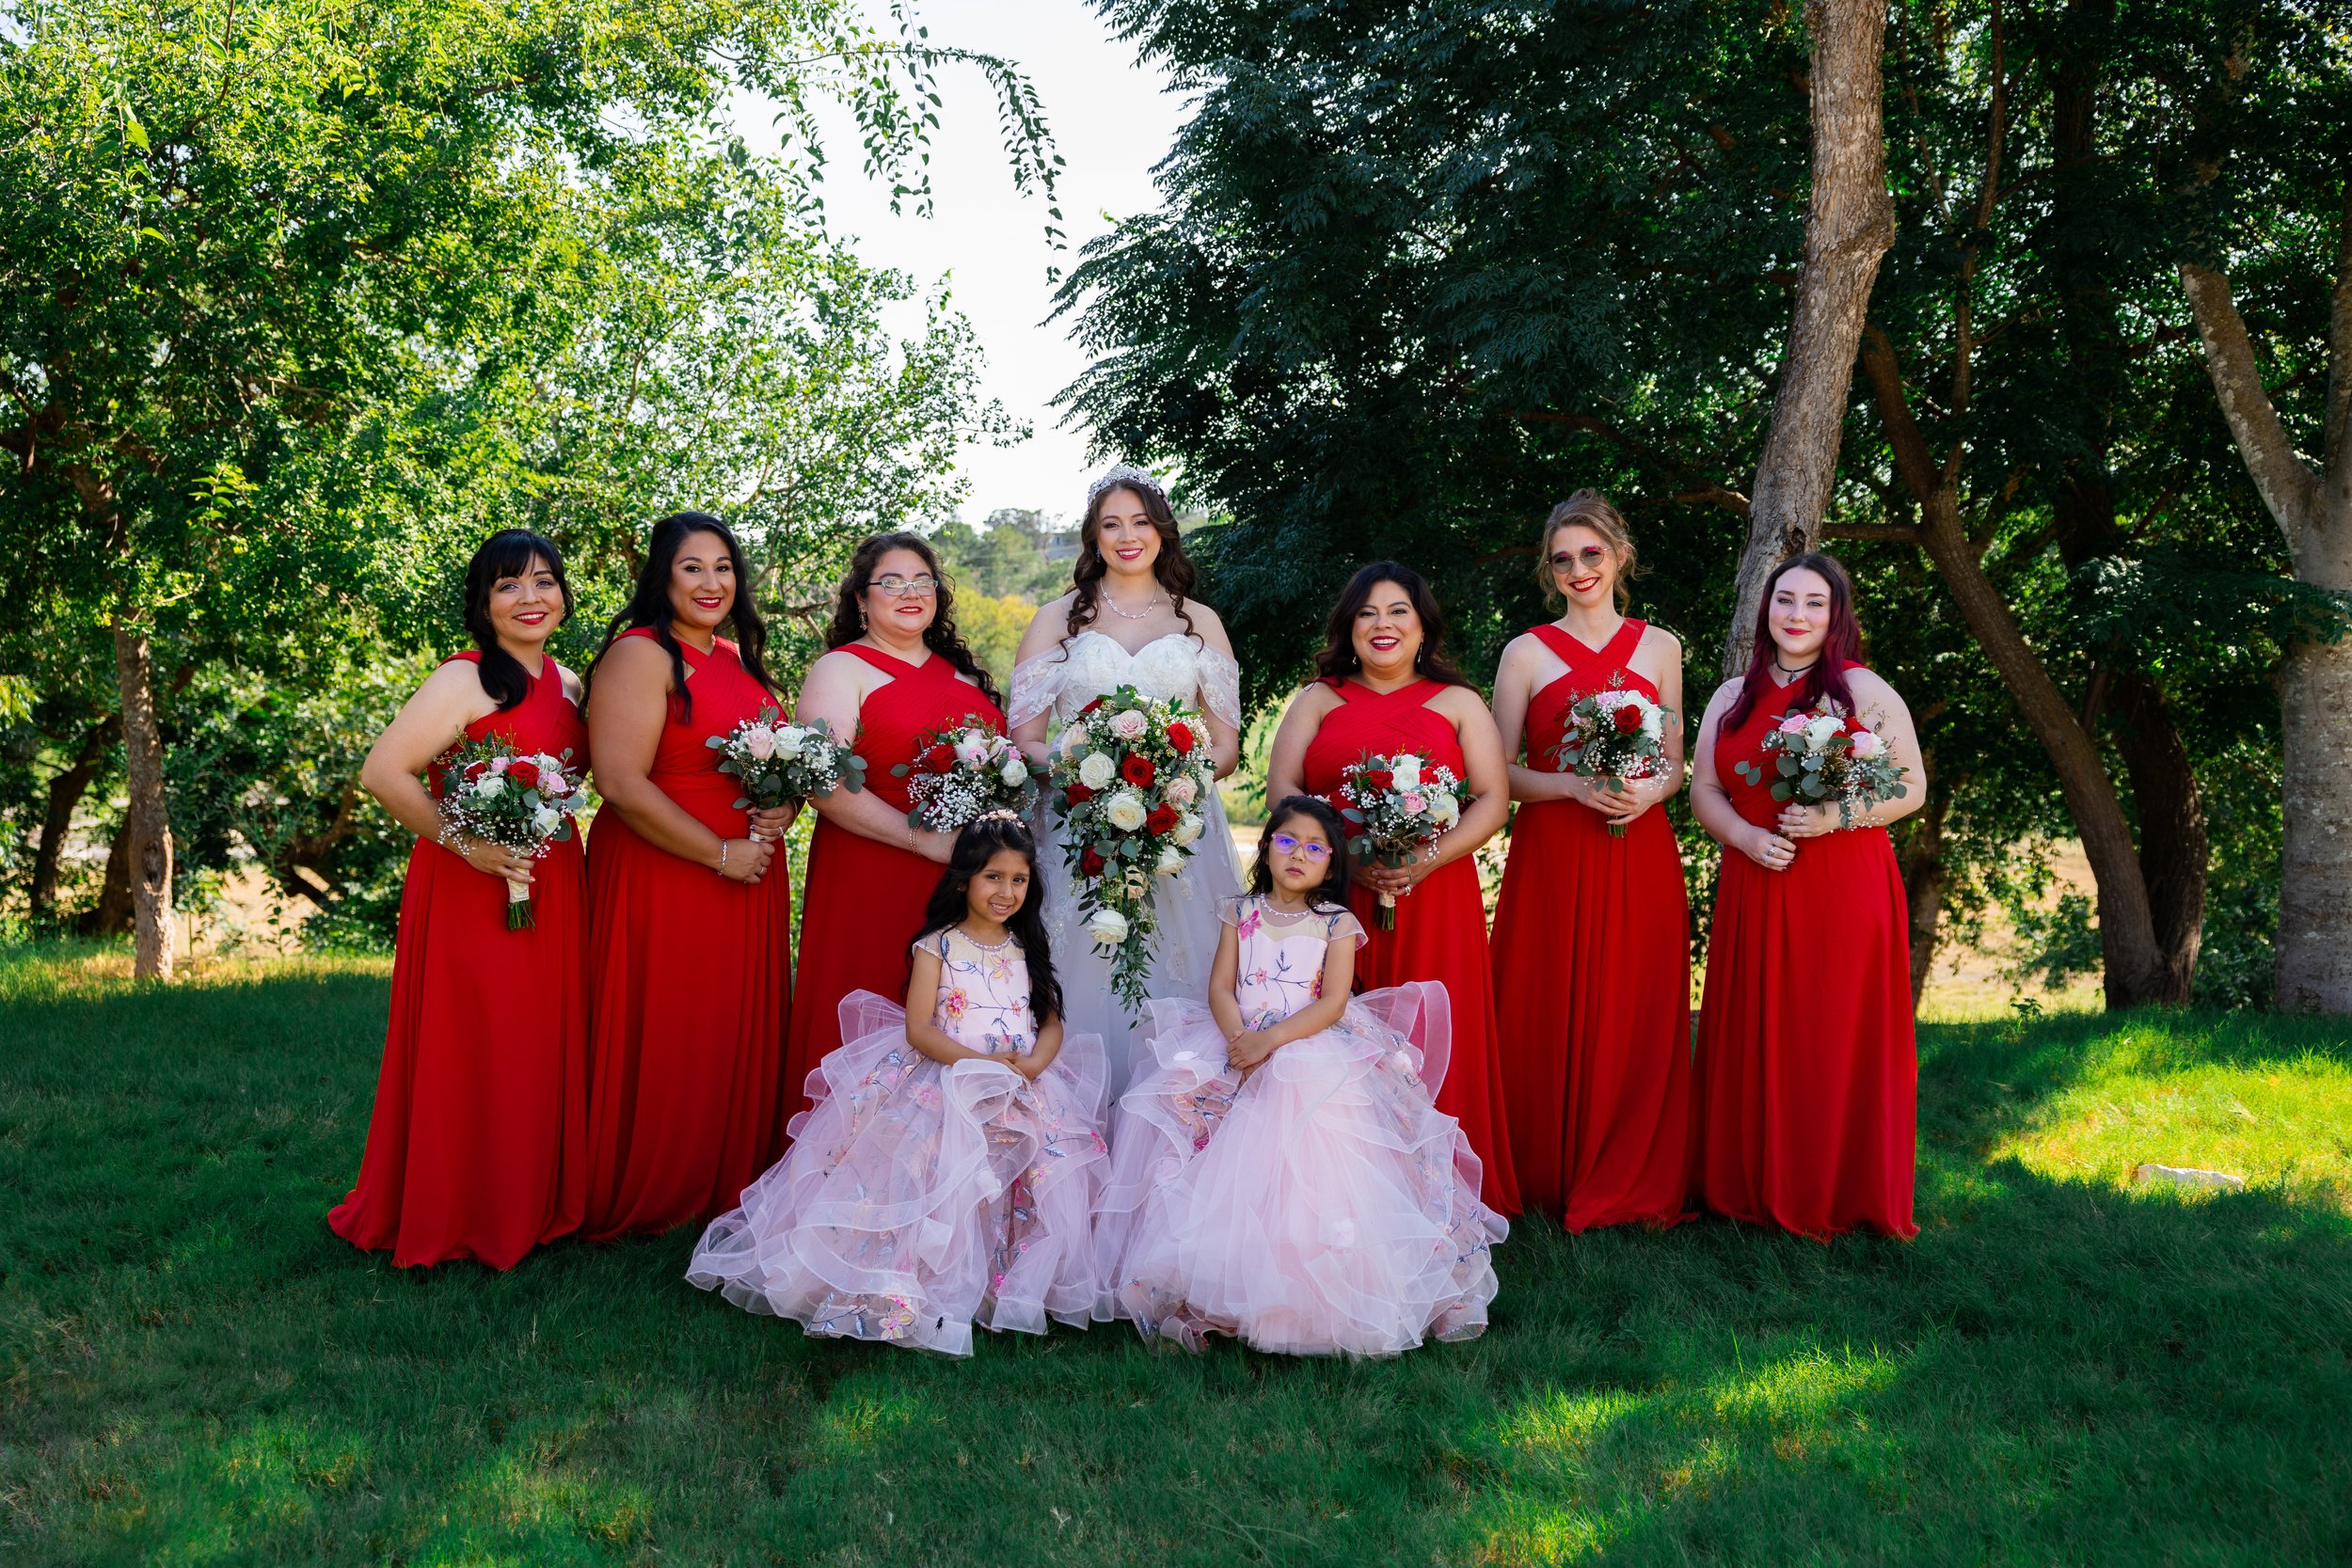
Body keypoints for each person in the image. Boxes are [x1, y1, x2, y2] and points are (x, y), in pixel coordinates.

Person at [1095, 796, 1503, 1355]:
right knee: (1216, 1157)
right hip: (1236, 1037)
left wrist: (1272, 1041)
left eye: (1314, 848)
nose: (1298, 854)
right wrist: (1240, 1039)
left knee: (1307, 1163)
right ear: (1266, 848)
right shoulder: (1240, 911)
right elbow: (1220, 986)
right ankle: (1210, 1287)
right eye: (1286, 841)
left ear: (1331, 866)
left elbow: (1333, 1002)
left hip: (1308, 1047)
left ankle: (1310, 1294)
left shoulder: (1335, 922)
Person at [688, 813, 1108, 1355]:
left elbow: (1050, 1021)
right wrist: (978, 1068)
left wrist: (1031, 1067)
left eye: (1019, 879)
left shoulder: (1027, 947)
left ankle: (1002, 1281)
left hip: (1019, 1081)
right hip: (950, 1077)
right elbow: (919, 1030)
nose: (1007, 891)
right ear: (964, 880)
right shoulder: (938, 947)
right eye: (993, 878)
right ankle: (912, 1282)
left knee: (1027, 1175)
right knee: (929, 1175)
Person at [330, 529, 590, 1268]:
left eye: (544, 581)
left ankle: (528, 1198)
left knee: (536, 1041)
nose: (530, 597)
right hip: (469, 881)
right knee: (476, 1038)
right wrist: (468, 844)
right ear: (483, 603)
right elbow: (384, 772)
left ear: (564, 595)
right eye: (509, 585)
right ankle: (459, 1206)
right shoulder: (464, 678)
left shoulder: (572, 685)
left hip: (552, 880)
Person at [1264, 562, 1522, 1213]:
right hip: (1334, 899)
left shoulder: (1459, 702)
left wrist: (1425, 859)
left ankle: (1443, 1195)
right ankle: (1345, 1193)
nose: (1383, 625)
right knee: (1339, 1032)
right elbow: (1283, 790)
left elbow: (1492, 800)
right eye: (1367, 613)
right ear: (1349, 628)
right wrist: (1344, 857)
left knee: (1436, 1032)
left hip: (1436, 895)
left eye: (1398, 610)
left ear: (1423, 624)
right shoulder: (1317, 698)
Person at [1688, 551, 1927, 1239]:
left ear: (1836, 615)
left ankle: (1832, 1190)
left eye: (1814, 603)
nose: (1797, 614)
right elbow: (1704, 786)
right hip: (1754, 877)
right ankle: (1744, 1188)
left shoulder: (1862, 691)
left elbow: (1910, 788)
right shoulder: (1731, 696)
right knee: (1754, 1027)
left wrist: (1833, 816)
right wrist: (1741, 834)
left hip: (1841, 884)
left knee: (1827, 1032)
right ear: (1766, 608)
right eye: (1785, 599)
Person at [580, 512, 795, 1240]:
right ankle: (656, 1186)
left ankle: (720, 1177)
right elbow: (618, 780)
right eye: (692, 568)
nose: (712, 582)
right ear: (661, 576)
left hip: (749, 871)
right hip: (668, 868)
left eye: (724, 567)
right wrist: (718, 852)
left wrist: (784, 808)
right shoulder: (641, 655)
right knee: (671, 1021)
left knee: (728, 1026)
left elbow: (782, 757)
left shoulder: (737, 656)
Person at [1488, 491, 1693, 1229]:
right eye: (1562, 559)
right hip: (1553, 850)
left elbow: (1676, 763)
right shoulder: (1525, 652)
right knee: (1544, 997)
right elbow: (1498, 773)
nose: (1578, 569)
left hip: (1639, 845)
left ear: (1619, 555)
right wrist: (1572, 785)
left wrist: (1647, 793)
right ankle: (1544, 1168)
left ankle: (1629, 1167)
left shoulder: (1661, 647)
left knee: (1634, 1002)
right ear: (1549, 571)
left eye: (1591, 554)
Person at [1008, 465, 1246, 1097]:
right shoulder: (1056, 619)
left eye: (1140, 521)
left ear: (1163, 531)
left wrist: (1171, 777)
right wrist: (1080, 772)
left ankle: (1176, 1129)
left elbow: (1225, 746)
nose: (1127, 535)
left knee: (1181, 970)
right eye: (1111, 524)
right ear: (1092, 537)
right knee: (1083, 962)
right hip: (1075, 826)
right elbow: (1025, 736)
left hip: (1180, 829)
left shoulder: (1200, 621)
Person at [784, 532, 1007, 1128]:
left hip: (963, 887)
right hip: (870, 876)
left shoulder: (963, 677)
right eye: (891, 582)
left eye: (921, 581)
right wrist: (924, 841)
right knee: (874, 1008)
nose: (909, 592)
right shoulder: (841, 669)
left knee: (951, 1015)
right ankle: (842, 1167)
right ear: (861, 599)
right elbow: (823, 782)